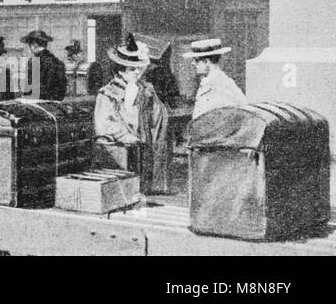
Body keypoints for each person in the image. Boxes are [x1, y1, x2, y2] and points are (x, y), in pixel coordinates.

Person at [94, 34, 170, 193]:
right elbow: (104, 125)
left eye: (138, 68)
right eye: (131, 69)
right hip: (120, 153)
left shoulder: (147, 90)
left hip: (144, 151)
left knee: (144, 190)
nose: (137, 72)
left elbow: (158, 118)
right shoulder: (107, 94)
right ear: (120, 71)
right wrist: (128, 138)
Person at [184, 37, 248, 119]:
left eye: (196, 60)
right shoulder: (212, 83)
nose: (192, 63)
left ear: (206, 62)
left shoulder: (222, 86)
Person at [21, 30, 67, 101]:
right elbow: (62, 88)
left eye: (29, 45)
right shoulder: (58, 62)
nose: (30, 48)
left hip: (36, 103)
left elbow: (29, 86)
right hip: (54, 104)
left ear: (34, 45)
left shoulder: (33, 61)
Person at [144, 44, 183, 110]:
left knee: (165, 91)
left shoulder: (162, 66)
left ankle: (171, 106)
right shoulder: (156, 68)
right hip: (159, 76)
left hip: (162, 76)